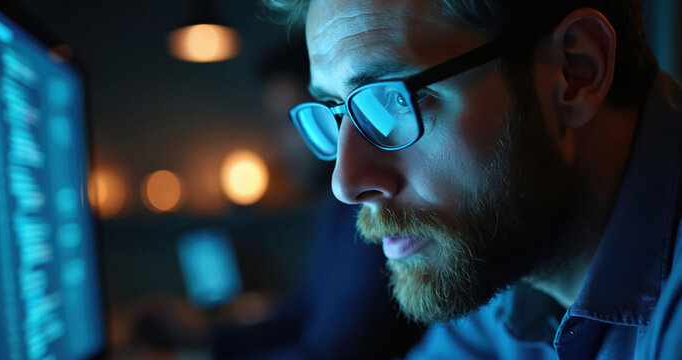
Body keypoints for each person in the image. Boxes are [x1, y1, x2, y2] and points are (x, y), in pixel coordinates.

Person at [264, 0, 682, 358]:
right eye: (336, 111)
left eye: (391, 100)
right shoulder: (502, 250)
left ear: (576, 72)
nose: (345, 182)